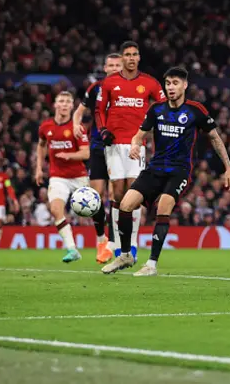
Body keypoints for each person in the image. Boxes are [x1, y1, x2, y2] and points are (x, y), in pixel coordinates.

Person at [101, 67, 230, 276]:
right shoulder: (156, 110)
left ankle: (151, 264)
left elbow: (215, 138)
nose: (171, 87)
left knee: (163, 207)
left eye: (175, 83)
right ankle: (126, 255)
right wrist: (135, 144)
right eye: (168, 84)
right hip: (155, 168)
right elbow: (139, 135)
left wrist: (228, 167)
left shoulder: (196, 110)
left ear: (185, 85)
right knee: (126, 205)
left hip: (179, 171)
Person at [95, 41, 165, 263]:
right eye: (127, 54)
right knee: (117, 193)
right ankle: (116, 243)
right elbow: (99, 110)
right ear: (122, 58)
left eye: (135, 54)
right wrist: (103, 130)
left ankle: (132, 245)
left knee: (134, 193)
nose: (131, 58)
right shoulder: (109, 83)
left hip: (137, 144)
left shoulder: (149, 83)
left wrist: (154, 127)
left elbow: (164, 105)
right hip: (115, 144)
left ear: (139, 58)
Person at [73, 53, 123, 264]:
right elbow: (79, 111)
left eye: (116, 65)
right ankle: (101, 239)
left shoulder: (128, 89)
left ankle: (114, 241)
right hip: (97, 148)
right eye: (110, 65)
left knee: (116, 194)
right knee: (95, 195)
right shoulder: (95, 89)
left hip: (119, 147)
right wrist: (76, 123)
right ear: (104, 67)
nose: (112, 68)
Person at [36, 92, 90, 262]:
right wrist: (39, 168)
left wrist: (68, 155)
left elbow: (86, 153)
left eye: (68, 102)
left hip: (79, 176)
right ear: (55, 105)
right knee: (55, 210)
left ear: (72, 106)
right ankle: (72, 249)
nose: (65, 104)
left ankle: (105, 242)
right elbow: (41, 145)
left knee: (94, 213)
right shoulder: (45, 127)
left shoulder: (77, 127)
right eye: (61, 101)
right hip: (58, 177)